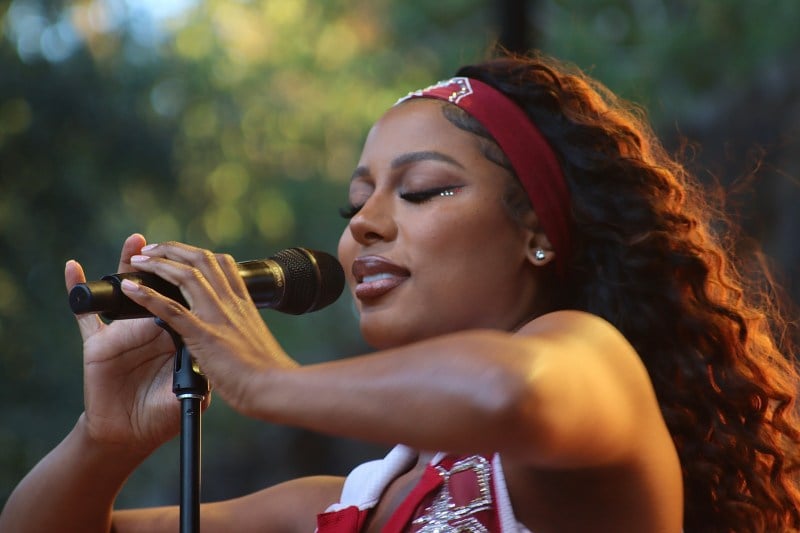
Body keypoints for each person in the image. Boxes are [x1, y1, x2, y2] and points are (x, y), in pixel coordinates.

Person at [2, 51, 799, 533]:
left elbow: (509, 389)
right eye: (355, 206)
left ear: (539, 232)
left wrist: (268, 379)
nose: (364, 229)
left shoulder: (598, 369)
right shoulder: (353, 503)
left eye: (421, 191)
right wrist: (103, 440)